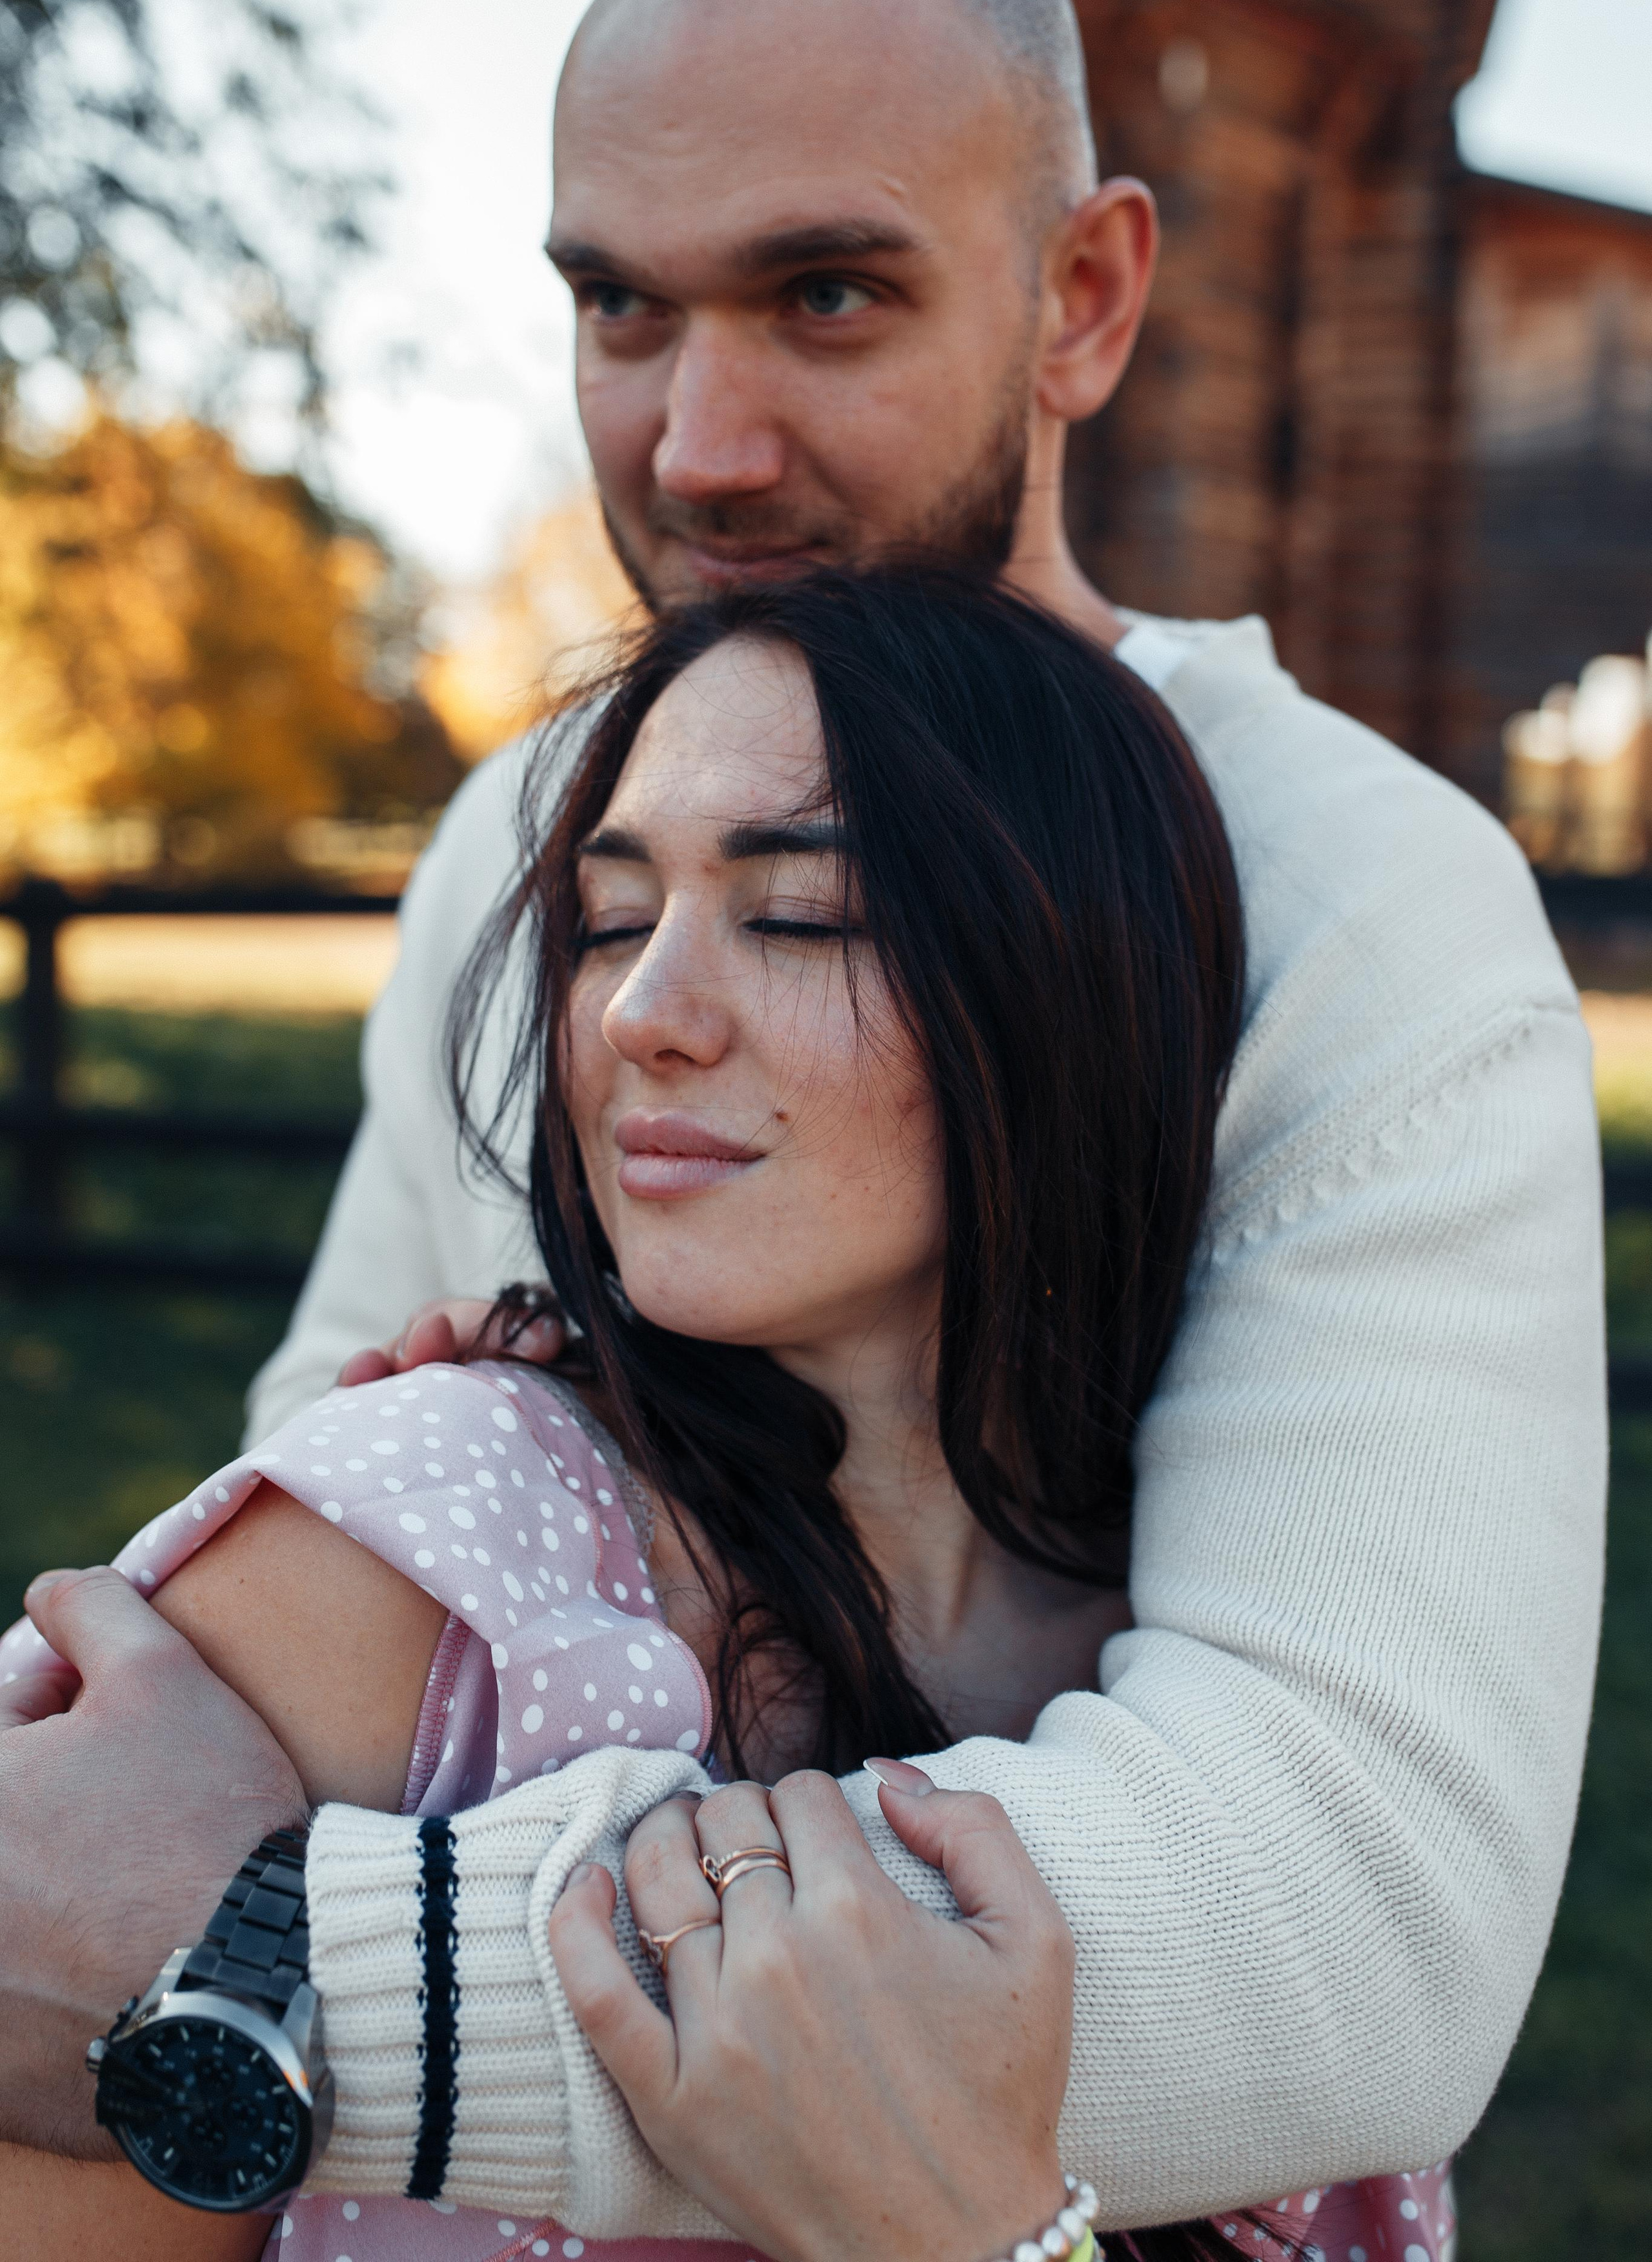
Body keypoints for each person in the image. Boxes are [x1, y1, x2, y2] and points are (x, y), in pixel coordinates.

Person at [0, 0, 1602, 2242]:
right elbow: (297, 1563)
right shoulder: (513, 840)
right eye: (621, 310)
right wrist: (481, 1491)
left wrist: (262, 1982)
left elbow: (1335, 1913)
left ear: (1083, 296)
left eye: (827, 295)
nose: (701, 445)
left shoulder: (1353, 892)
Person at [5, 567, 1446, 2262]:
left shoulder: (1249, 1699)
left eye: (802, 915)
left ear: (1069, 984)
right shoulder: (431, 1556)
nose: (643, 1015)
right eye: (613, 920)